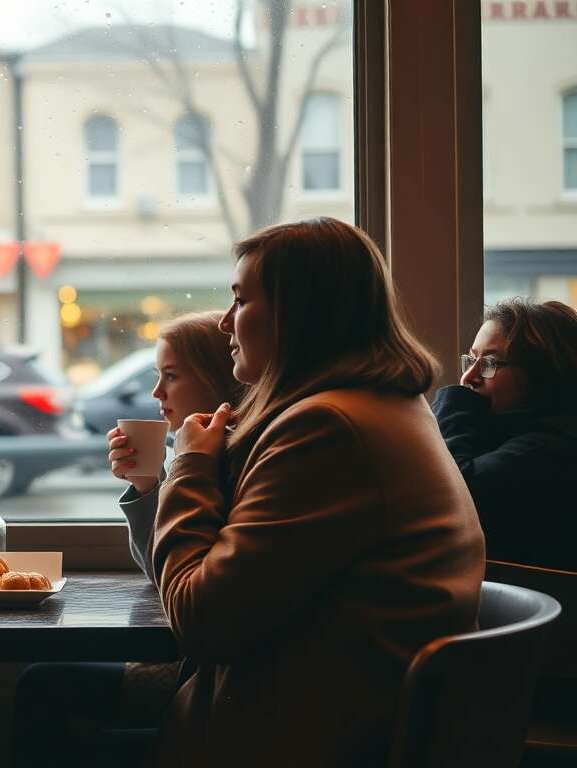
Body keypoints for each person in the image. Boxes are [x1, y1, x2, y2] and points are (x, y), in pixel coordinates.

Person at [143, 218, 484, 766]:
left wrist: (188, 467)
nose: (227, 324)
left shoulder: (328, 429)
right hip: (348, 708)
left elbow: (200, 621)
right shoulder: (385, 405)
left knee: (54, 695)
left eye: (241, 300)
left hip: (305, 734)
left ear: (300, 314)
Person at [14, 312, 242, 768]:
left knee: (42, 686)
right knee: (43, 683)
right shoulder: (191, 451)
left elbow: (181, 585)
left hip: (208, 672)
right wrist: (145, 486)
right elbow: (165, 570)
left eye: (171, 377)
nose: (156, 393)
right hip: (202, 664)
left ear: (219, 378)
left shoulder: (226, 457)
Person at [433, 299, 577, 570]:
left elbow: (450, 497)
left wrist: (454, 404)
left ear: (541, 373)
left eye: (489, 363)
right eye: (471, 360)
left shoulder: (551, 447)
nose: (468, 377)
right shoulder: (512, 434)